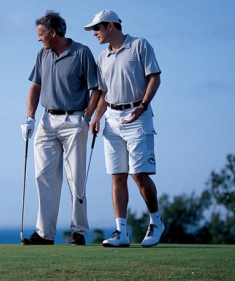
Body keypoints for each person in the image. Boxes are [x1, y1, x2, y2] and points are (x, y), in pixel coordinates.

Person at [84, 10, 165, 247]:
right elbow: (103, 93)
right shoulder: (102, 57)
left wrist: (143, 106)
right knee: (117, 176)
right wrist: (97, 117)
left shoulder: (140, 45)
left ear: (111, 26)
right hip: (112, 118)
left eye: (96, 29)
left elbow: (155, 78)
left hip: (137, 116)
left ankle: (156, 222)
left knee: (139, 174)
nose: (94, 33)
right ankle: (121, 232)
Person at [20, 10, 100, 245]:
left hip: (74, 121)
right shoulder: (42, 54)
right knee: (43, 177)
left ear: (53, 33)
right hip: (46, 121)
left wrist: (87, 116)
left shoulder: (82, 53)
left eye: (41, 34)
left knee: (76, 178)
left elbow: (96, 89)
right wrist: (30, 117)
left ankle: (78, 231)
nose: (38, 38)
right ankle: (45, 234)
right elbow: (35, 87)